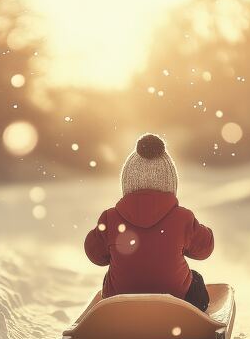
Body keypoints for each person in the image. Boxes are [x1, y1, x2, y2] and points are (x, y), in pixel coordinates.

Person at [84, 133, 214, 311]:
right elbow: (205, 249)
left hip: (121, 301)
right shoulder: (183, 218)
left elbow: (94, 254)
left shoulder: (110, 218)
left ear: (127, 183)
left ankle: (117, 314)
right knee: (195, 278)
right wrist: (201, 230)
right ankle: (190, 318)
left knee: (110, 277)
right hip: (175, 300)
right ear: (170, 183)